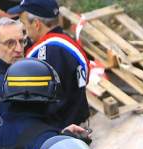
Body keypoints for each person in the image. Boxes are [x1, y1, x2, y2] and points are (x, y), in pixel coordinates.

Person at [9, 0, 90, 128]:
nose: (24, 30)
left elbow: (48, 102)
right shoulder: (65, 42)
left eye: (24, 24)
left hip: (62, 132)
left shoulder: (47, 52)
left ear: (36, 24)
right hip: (76, 123)